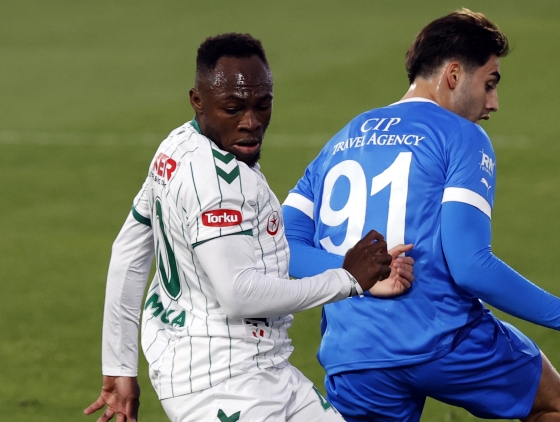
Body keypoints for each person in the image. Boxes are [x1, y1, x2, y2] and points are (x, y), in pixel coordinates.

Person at [281, 9, 560, 422]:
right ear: (453, 75)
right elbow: (470, 266)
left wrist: (360, 275)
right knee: (552, 407)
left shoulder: (341, 140)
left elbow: (284, 245)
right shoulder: (462, 136)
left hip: (355, 354)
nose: (493, 103)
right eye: (489, 83)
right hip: (444, 340)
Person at [84, 33, 414, 422]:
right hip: (220, 383)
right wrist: (347, 278)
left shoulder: (176, 148)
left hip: (261, 367)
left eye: (263, 105)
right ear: (197, 101)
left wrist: (119, 366)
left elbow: (128, 252)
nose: (251, 123)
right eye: (233, 108)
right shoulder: (218, 184)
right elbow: (240, 294)